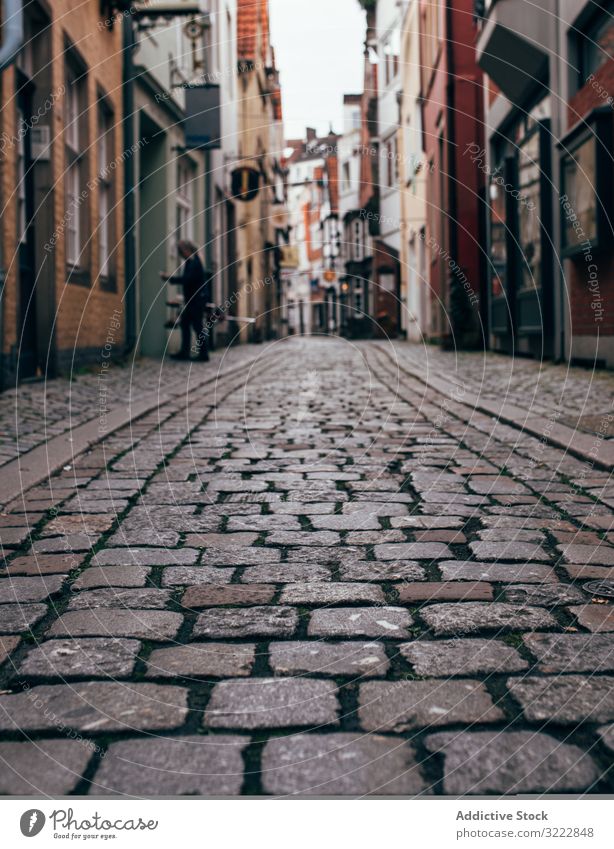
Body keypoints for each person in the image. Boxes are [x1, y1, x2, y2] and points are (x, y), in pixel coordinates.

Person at [161, 240, 211, 361]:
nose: (180, 254)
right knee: (187, 324)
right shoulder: (193, 262)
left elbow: (187, 279)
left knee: (196, 326)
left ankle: (202, 354)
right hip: (194, 299)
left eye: (181, 251)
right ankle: (187, 352)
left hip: (196, 300)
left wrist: (170, 279)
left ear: (186, 250)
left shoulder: (194, 262)